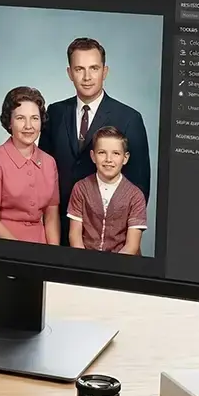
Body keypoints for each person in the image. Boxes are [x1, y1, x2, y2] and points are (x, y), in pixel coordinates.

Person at [39, 37, 151, 245]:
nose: (87, 77)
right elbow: (43, 173)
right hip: (58, 229)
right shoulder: (55, 113)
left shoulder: (129, 118)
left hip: (108, 238)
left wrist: (121, 239)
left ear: (105, 71)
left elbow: (140, 185)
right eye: (79, 69)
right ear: (69, 73)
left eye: (94, 68)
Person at [0, 86, 60, 245]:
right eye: (21, 118)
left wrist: (53, 254)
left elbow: (51, 218)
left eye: (34, 118)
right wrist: (20, 253)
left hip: (38, 246)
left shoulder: (50, 163)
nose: (29, 126)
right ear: (9, 122)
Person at [67, 126, 148, 254]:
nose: (108, 159)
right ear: (93, 156)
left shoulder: (135, 196)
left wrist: (112, 265)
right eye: (102, 153)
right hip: (86, 260)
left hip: (122, 262)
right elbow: (75, 236)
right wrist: (85, 262)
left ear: (125, 158)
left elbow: (132, 246)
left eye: (116, 153)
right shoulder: (81, 188)